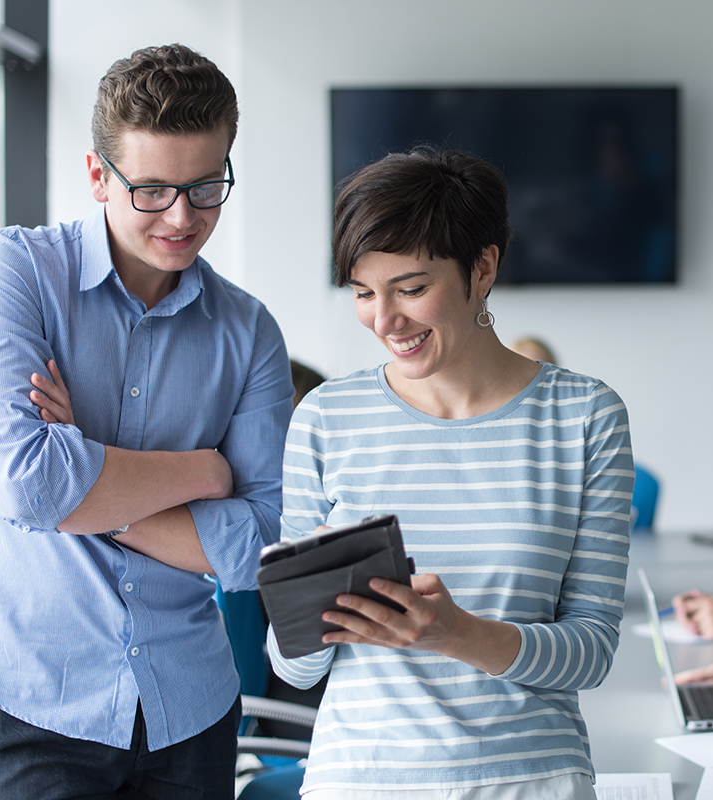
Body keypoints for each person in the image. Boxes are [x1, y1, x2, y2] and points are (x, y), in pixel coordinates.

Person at [0, 43, 293, 799]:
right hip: (35, 702)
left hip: (191, 709)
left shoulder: (250, 332)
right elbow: (29, 489)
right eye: (152, 190)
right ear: (99, 176)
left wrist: (88, 467)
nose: (182, 217)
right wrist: (205, 472)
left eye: (206, 187)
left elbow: (260, 543)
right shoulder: (16, 275)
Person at [266, 147, 634, 799]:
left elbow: (591, 652)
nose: (385, 321)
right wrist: (301, 608)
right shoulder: (326, 417)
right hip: (362, 778)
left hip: (529, 780)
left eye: (411, 289)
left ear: (483, 267)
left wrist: (454, 633)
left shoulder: (584, 416)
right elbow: (294, 670)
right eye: (363, 293)